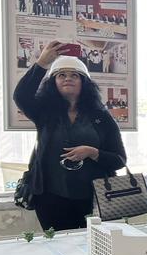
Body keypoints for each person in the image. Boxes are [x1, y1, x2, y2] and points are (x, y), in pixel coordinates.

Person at [13, 41, 127, 232]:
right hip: (50, 198)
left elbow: (119, 160)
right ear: (53, 83)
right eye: (61, 75)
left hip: (94, 200)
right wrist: (42, 63)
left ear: (84, 83)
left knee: (93, 245)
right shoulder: (44, 113)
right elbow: (21, 96)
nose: (68, 79)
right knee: (59, 245)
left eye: (74, 75)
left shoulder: (101, 117)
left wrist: (92, 152)